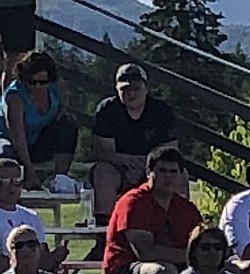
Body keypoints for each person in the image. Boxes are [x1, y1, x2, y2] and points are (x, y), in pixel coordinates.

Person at [103, 144, 200, 274]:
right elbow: (145, 252)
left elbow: (202, 245)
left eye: (173, 171)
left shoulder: (186, 208)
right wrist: (191, 256)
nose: (168, 177)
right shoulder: (133, 202)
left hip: (176, 270)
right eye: (162, 171)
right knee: (163, 272)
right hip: (124, 273)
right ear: (149, 173)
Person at [91, 63, 178, 239]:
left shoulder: (161, 111)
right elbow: (103, 151)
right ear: (117, 89)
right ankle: (103, 235)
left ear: (146, 89)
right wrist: (125, 161)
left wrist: (148, 164)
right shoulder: (108, 110)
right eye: (125, 89)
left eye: (136, 89)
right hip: (119, 168)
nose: (131, 94)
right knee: (103, 173)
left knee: (178, 175)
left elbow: (171, 150)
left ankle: (177, 228)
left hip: (154, 169)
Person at [0, 51, 76, 192]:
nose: (38, 87)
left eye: (43, 82)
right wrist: (30, 173)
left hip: (38, 142)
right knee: (5, 153)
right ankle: (10, 189)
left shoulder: (55, 88)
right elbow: (18, 139)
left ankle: (60, 179)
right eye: (32, 82)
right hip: (11, 144)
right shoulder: (15, 97)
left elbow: (61, 112)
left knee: (68, 124)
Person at [0, 0, 33, 88]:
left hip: (21, 7)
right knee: (17, 59)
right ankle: (9, 97)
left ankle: (9, 97)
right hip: (21, 7)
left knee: (18, 60)